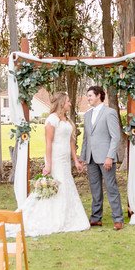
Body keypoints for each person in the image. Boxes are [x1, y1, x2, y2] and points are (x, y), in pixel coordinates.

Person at [20, 90, 91, 238]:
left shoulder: (67, 120)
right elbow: (48, 143)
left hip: (65, 160)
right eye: (68, 102)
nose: (70, 104)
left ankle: (66, 216)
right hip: (55, 158)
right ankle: (50, 217)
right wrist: (48, 164)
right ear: (61, 103)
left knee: (66, 185)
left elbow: (71, 142)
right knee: (57, 186)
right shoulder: (51, 120)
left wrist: (76, 160)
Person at [79, 84, 124, 230]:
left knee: (111, 188)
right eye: (88, 96)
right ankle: (96, 218)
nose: (88, 98)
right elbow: (86, 138)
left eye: (90, 95)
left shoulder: (109, 112)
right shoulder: (87, 115)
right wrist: (83, 157)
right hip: (91, 158)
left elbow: (115, 137)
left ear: (98, 95)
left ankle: (118, 219)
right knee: (95, 189)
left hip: (106, 158)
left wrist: (110, 156)